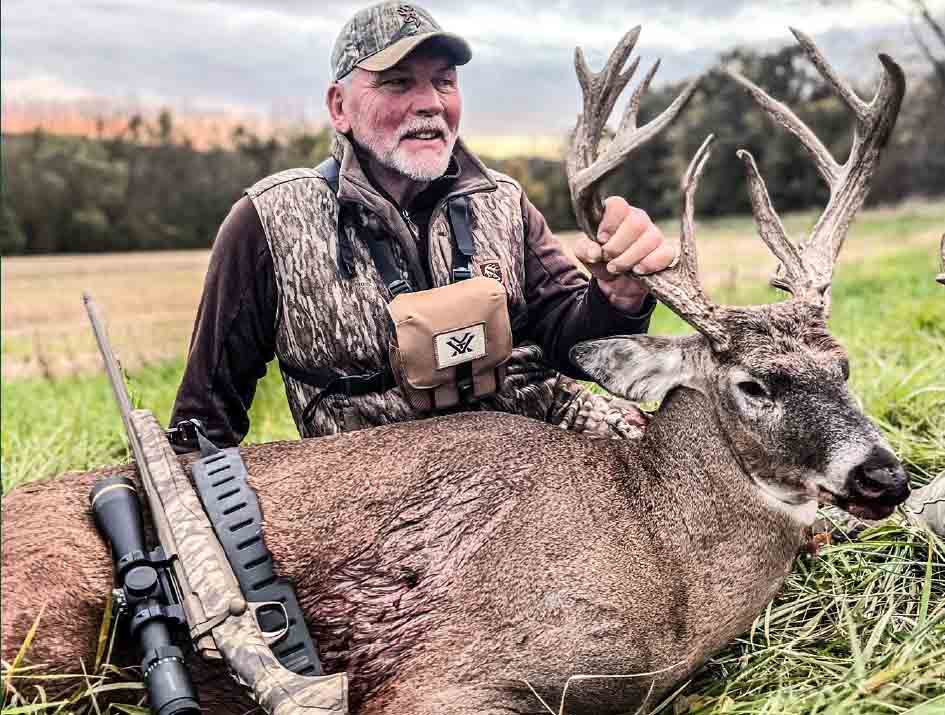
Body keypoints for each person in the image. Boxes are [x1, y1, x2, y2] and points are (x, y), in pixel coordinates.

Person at [169, 1, 676, 451]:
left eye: (444, 81)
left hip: (542, 444)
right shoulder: (269, 221)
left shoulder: (503, 201)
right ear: (339, 107)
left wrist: (618, 298)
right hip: (391, 494)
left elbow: (575, 341)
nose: (431, 102)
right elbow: (204, 423)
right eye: (398, 81)